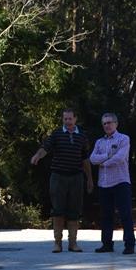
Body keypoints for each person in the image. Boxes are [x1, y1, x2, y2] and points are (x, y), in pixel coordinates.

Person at [30, 108, 93, 252]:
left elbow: (85, 159)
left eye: (70, 119)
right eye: (65, 119)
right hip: (58, 176)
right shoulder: (57, 134)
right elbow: (45, 148)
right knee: (58, 209)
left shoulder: (82, 136)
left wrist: (89, 179)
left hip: (76, 177)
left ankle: (73, 243)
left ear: (75, 119)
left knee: (74, 210)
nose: (68, 122)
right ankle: (57, 243)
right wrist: (37, 156)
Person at [89, 112, 135, 254]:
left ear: (116, 124)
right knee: (106, 215)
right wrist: (107, 156)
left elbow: (120, 158)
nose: (107, 125)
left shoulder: (124, 139)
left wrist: (103, 162)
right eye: (104, 123)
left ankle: (129, 244)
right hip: (104, 183)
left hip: (121, 181)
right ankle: (107, 244)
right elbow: (92, 159)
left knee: (125, 214)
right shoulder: (99, 142)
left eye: (109, 122)